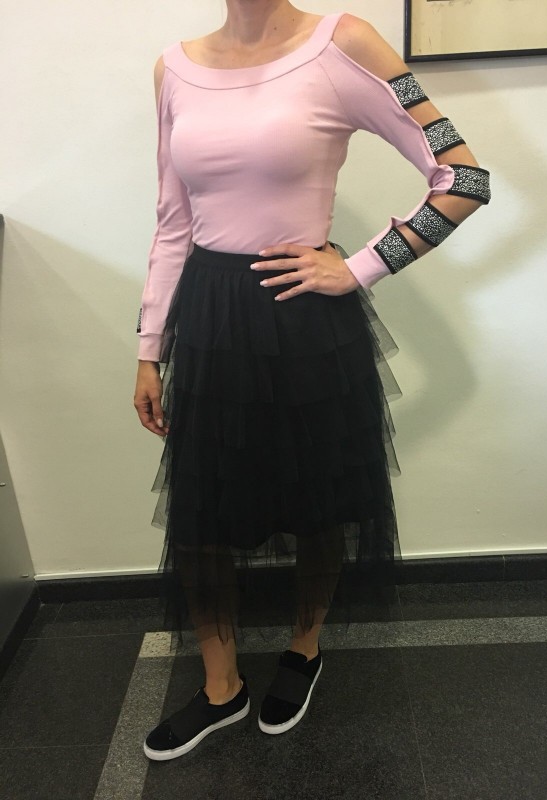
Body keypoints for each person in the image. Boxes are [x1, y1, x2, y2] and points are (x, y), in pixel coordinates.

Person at [133, 1, 491, 762]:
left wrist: (360, 266)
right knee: (202, 508)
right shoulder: (174, 69)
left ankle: (304, 648)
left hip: (305, 316)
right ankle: (221, 688)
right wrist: (148, 348)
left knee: (318, 495)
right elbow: (172, 220)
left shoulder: (344, 43)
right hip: (209, 318)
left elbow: (464, 177)